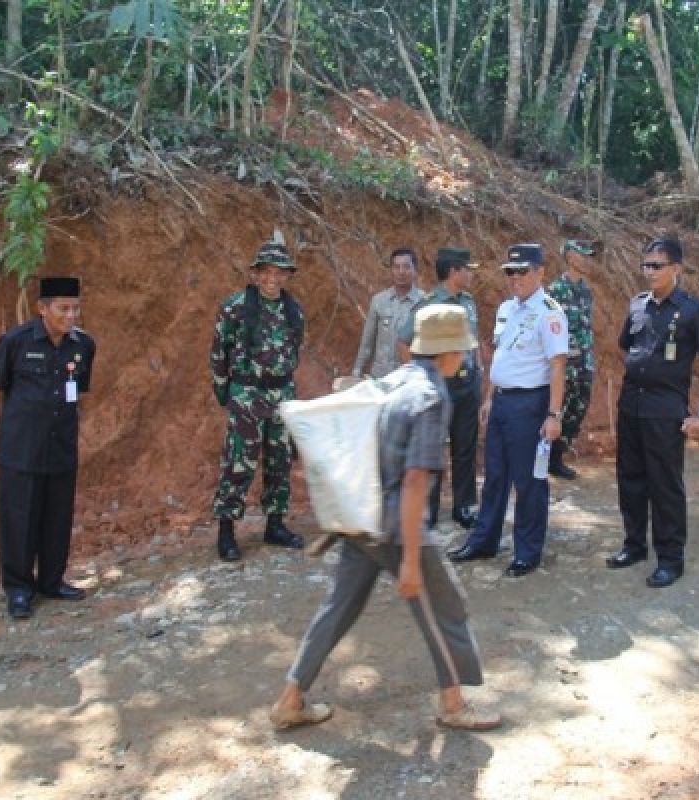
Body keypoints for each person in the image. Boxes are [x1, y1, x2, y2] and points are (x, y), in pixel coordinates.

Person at [269, 304, 501, 732]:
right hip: (397, 526)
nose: (465, 358)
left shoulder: (393, 381)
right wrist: (411, 559)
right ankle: (453, 704)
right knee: (443, 607)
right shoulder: (431, 399)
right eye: (462, 350)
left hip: (364, 518)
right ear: (449, 353)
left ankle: (290, 698)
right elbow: (415, 482)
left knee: (339, 607)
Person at [605, 237, 699, 589]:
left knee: (665, 486)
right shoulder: (637, 305)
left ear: (677, 269)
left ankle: (671, 559)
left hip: (665, 412)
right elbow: (626, 347)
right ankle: (635, 545)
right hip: (631, 406)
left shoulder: (693, 310)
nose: (649, 271)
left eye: (657, 265)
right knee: (630, 480)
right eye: (646, 265)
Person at [447, 244, 568, 577]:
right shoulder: (506, 309)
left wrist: (554, 415)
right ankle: (484, 540)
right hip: (501, 402)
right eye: (510, 272)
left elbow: (558, 366)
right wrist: (489, 397)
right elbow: (501, 358)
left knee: (529, 480)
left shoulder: (550, 312)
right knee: (495, 477)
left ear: (540, 272)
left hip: (530, 405)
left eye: (522, 271)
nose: (515, 278)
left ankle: (527, 551)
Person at [0, 276, 97, 620]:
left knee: (57, 518)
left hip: (61, 446)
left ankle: (51, 580)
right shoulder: (16, 341)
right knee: (18, 520)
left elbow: (78, 390)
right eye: (63, 309)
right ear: (42, 309)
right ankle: (19, 590)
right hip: (21, 448)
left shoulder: (83, 346)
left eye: (75, 308)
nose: (71, 316)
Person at [210, 240, 306, 562]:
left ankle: (275, 525)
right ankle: (226, 531)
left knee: (280, 460)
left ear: (287, 276)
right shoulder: (235, 307)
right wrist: (227, 393)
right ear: (256, 274)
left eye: (280, 273)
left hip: (282, 395)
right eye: (266, 272)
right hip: (247, 394)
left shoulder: (294, 310)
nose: (272, 279)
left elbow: (294, 352)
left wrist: (287, 393)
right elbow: (218, 353)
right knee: (239, 461)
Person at [398, 247, 484, 530]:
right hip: (439, 385)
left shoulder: (469, 302)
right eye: (467, 269)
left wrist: (479, 374)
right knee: (431, 450)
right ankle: (429, 511)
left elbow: (475, 342)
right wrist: (417, 379)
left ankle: (463, 507)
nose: (471, 274)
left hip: (467, 384)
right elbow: (404, 341)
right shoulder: (427, 304)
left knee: (465, 449)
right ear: (453, 271)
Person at [545, 239, 598, 479]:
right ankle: (547, 458)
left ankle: (558, 454)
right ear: (570, 257)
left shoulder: (586, 291)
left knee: (579, 407)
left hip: (584, 362)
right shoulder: (556, 290)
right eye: (582, 254)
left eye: (588, 256)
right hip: (564, 363)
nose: (587, 259)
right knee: (559, 409)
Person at [351, 247, 424, 379]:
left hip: (409, 379)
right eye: (396, 267)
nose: (401, 272)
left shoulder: (424, 302)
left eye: (406, 267)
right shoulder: (379, 301)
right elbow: (367, 342)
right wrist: (357, 372)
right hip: (381, 378)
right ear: (391, 270)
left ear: (415, 270)